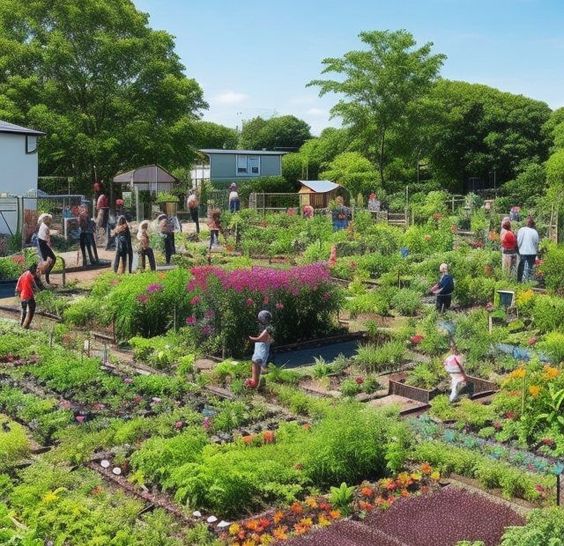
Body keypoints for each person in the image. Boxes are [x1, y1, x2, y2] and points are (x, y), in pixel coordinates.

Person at [245, 310, 274, 389]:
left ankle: (254, 384)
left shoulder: (269, 328)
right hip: (260, 351)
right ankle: (255, 383)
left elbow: (259, 339)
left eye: (261, 318)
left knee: (256, 362)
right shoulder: (267, 327)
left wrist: (247, 337)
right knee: (255, 363)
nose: (260, 320)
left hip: (261, 351)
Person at [15, 263, 43, 329]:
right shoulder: (31, 275)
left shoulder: (23, 274)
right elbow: (36, 286)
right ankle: (27, 325)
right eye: (37, 269)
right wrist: (40, 292)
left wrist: (18, 292)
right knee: (32, 308)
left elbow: (18, 285)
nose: (37, 271)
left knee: (24, 310)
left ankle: (21, 324)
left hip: (22, 295)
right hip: (28, 295)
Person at [517, 216, 539, 283]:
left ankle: (523, 283)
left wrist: (518, 248)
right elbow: (536, 243)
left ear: (526, 223)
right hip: (532, 253)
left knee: (523, 268)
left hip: (523, 252)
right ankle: (528, 282)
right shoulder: (535, 232)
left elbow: (519, 241)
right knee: (529, 268)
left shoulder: (522, 230)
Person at [37, 213, 56, 286]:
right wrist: (50, 247)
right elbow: (48, 241)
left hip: (41, 243)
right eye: (49, 220)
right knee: (52, 259)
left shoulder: (42, 225)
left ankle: (44, 278)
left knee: (45, 261)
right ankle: (45, 277)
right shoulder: (46, 227)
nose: (50, 221)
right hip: (43, 244)